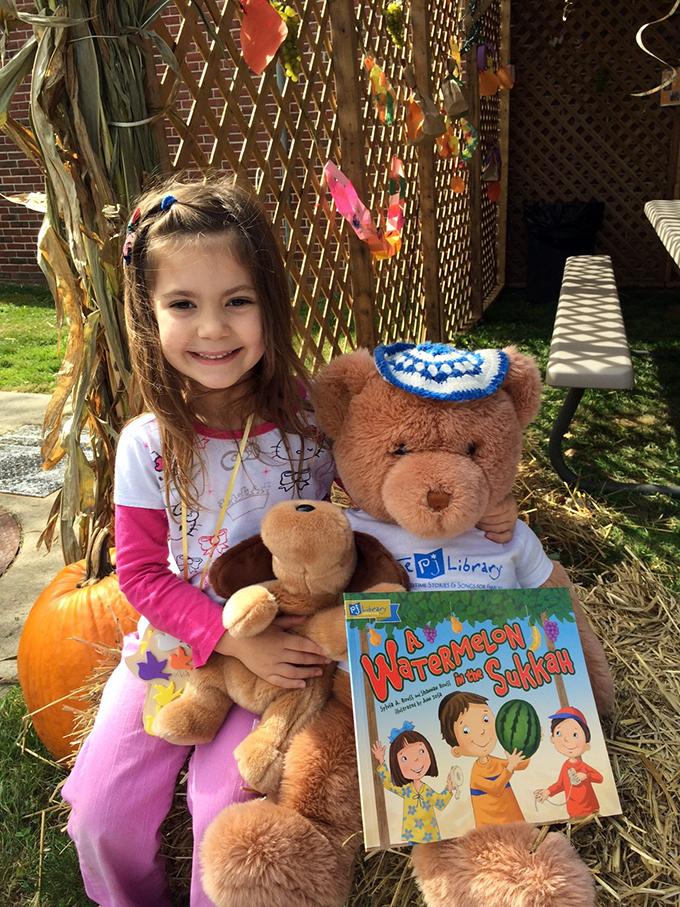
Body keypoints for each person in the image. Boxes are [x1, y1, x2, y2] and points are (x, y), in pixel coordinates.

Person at [62, 174, 518, 907]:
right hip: (170, 646)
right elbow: (142, 575)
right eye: (183, 304)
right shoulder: (146, 445)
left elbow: (391, 476)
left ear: (269, 303)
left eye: (236, 301)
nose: (212, 328)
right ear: (148, 314)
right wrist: (228, 638)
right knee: (100, 809)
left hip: (289, 642)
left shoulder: (310, 417)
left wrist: (491, 504)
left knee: (229, 807)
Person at [438, 691, 530, 827]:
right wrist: (510, 767)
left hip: (514, 821)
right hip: (491, 830)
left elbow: (521, 765)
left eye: (485, 719)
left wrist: (528, 744)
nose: (481, 731)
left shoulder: (494, 761)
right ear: (457, 750)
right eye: (466, 730)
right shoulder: (477, 772)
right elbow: (495, 788)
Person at [372, 721, 455, 843]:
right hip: (412, 836)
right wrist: (381, 760)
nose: (416, 760)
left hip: (430, 836)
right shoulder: (406, 790)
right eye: (404, 758)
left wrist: (448, 788)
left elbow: (440, 802)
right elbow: (389, 784)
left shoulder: (426, 790)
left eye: (421, 752)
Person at [534, 706, 603, 818]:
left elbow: (599, 778)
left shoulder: (582, 766)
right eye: (559, 734)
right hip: (573, 811)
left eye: (575, 735)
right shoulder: (566, 766)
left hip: (590, 809)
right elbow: (560, 784)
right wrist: (548, 791)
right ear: (552, 739)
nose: (567, 740)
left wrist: (586, 775)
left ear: (587, 745)